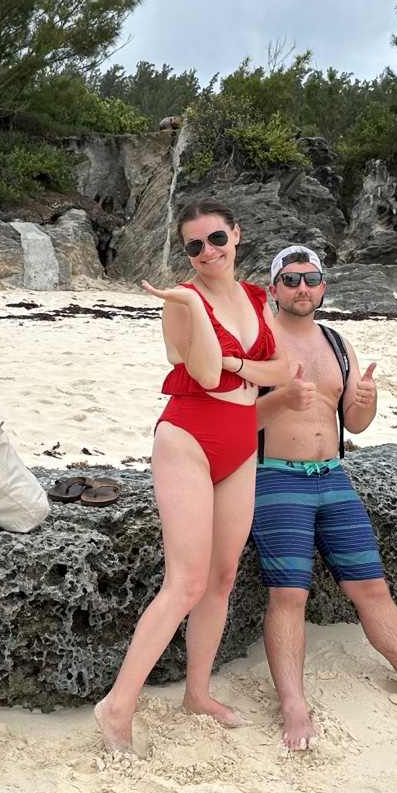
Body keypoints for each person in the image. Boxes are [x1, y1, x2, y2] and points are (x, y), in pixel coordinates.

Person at [254, 245, 397, 750]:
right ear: (273, 288)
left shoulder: (338, 344)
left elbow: (354, 424)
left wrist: (368, 403)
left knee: (372, 587)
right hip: (275, 477)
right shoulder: (258, 343)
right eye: (290, 279)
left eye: (311, 279)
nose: (302, 288)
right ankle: (293, 703)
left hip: (333, 476)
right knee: (288, 595)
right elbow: (235, 424)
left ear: (323, 286)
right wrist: (282, 400)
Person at [93, 201, 292, 754]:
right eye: (194, 246)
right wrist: (195, 308)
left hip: (240, 442)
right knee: (186, 581)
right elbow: (203, 374)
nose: (208, 252)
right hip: (187, 439)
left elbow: (282, 370)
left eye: (216, 238)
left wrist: (239, 366)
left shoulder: (257, 297)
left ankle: (197, 693)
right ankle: (116, 706)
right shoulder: (179, 302)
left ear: (236, 234)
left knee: (222, 577)